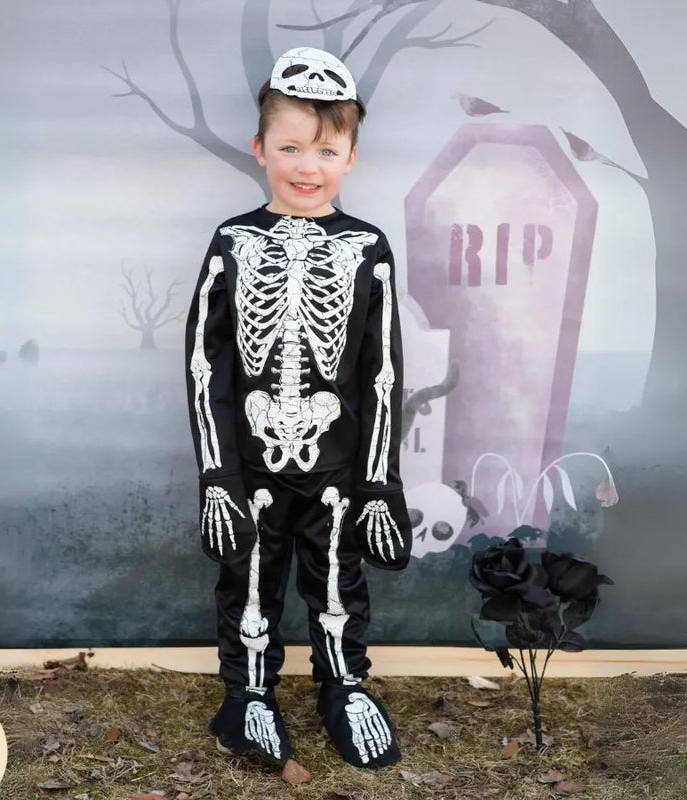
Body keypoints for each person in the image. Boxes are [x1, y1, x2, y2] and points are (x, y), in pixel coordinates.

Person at [184, 47, 412, 769]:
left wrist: (379, 482)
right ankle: (248, 693)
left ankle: (344, 686)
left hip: (336, 462)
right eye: (289, 148)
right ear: (259, 149)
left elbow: (383, 370)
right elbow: (205, 365)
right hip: (250, 463)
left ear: (350, 159)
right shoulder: (232, 242)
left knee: (338, 574)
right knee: (247, 575)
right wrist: (217, 476)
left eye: (325, 150)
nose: (306, 166)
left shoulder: (368, 247)